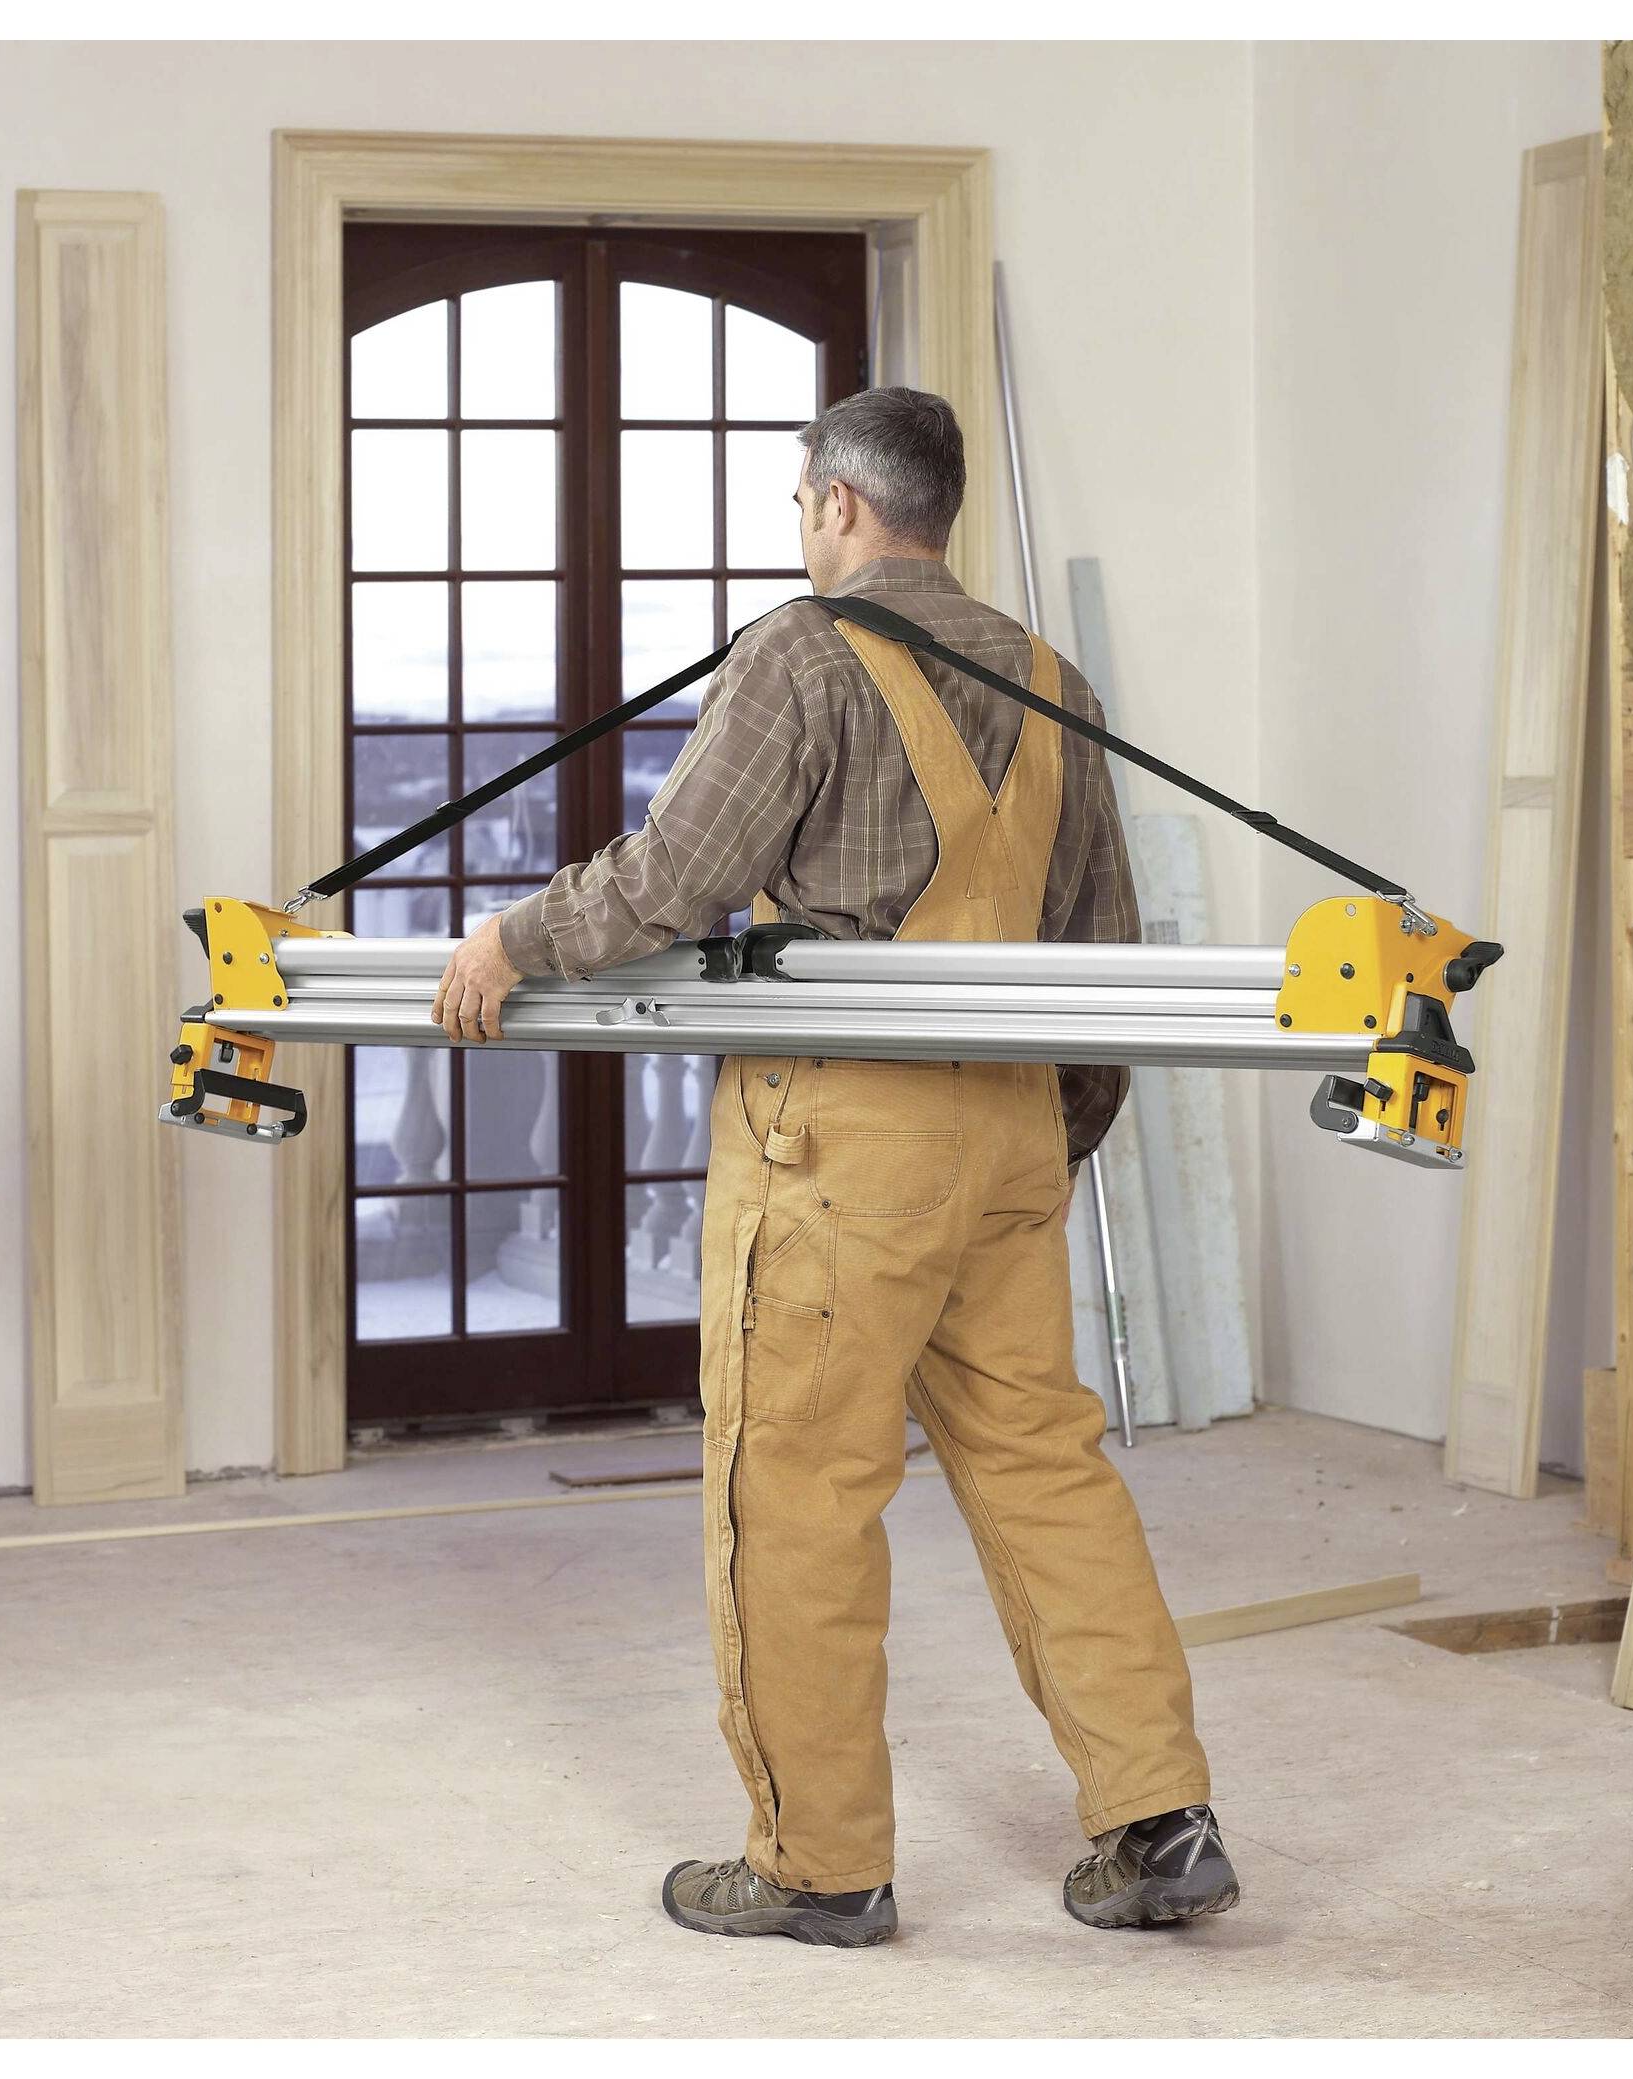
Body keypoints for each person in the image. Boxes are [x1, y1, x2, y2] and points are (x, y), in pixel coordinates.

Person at [431, 386, 1238, 1947]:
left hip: (839, 1144)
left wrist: (512, 941)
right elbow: (1108, 957)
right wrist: (1043, 1142)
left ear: (842, 508)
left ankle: (819, 1865)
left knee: (794, 1488)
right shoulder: (1050, 677)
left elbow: (677, 879)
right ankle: (1159, 1820)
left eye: (806, 500)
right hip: (1007, 1134)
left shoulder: (803, 653)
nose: (804, 522)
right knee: (1043, 1473)